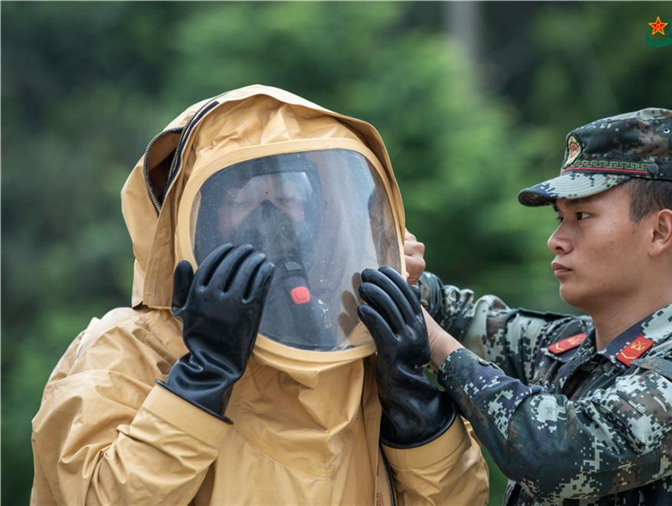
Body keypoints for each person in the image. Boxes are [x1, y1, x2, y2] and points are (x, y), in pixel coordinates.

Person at [31, 85, 488, 505]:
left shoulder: (356, 347)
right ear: (198, 217)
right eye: (243, 197)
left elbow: (460, 499)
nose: (272, 219)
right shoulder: (125, 349)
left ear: (325, 213)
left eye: (290, 195)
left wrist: (413, 402)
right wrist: (200, 378)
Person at [358, 108, 672, 505]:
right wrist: (394, 263)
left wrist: (436, 343)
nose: (556, 239)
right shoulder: (566, 345)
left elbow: (560, 455)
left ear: (659, 232)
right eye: (560, 218)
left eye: (582, 216)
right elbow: (453, 312)